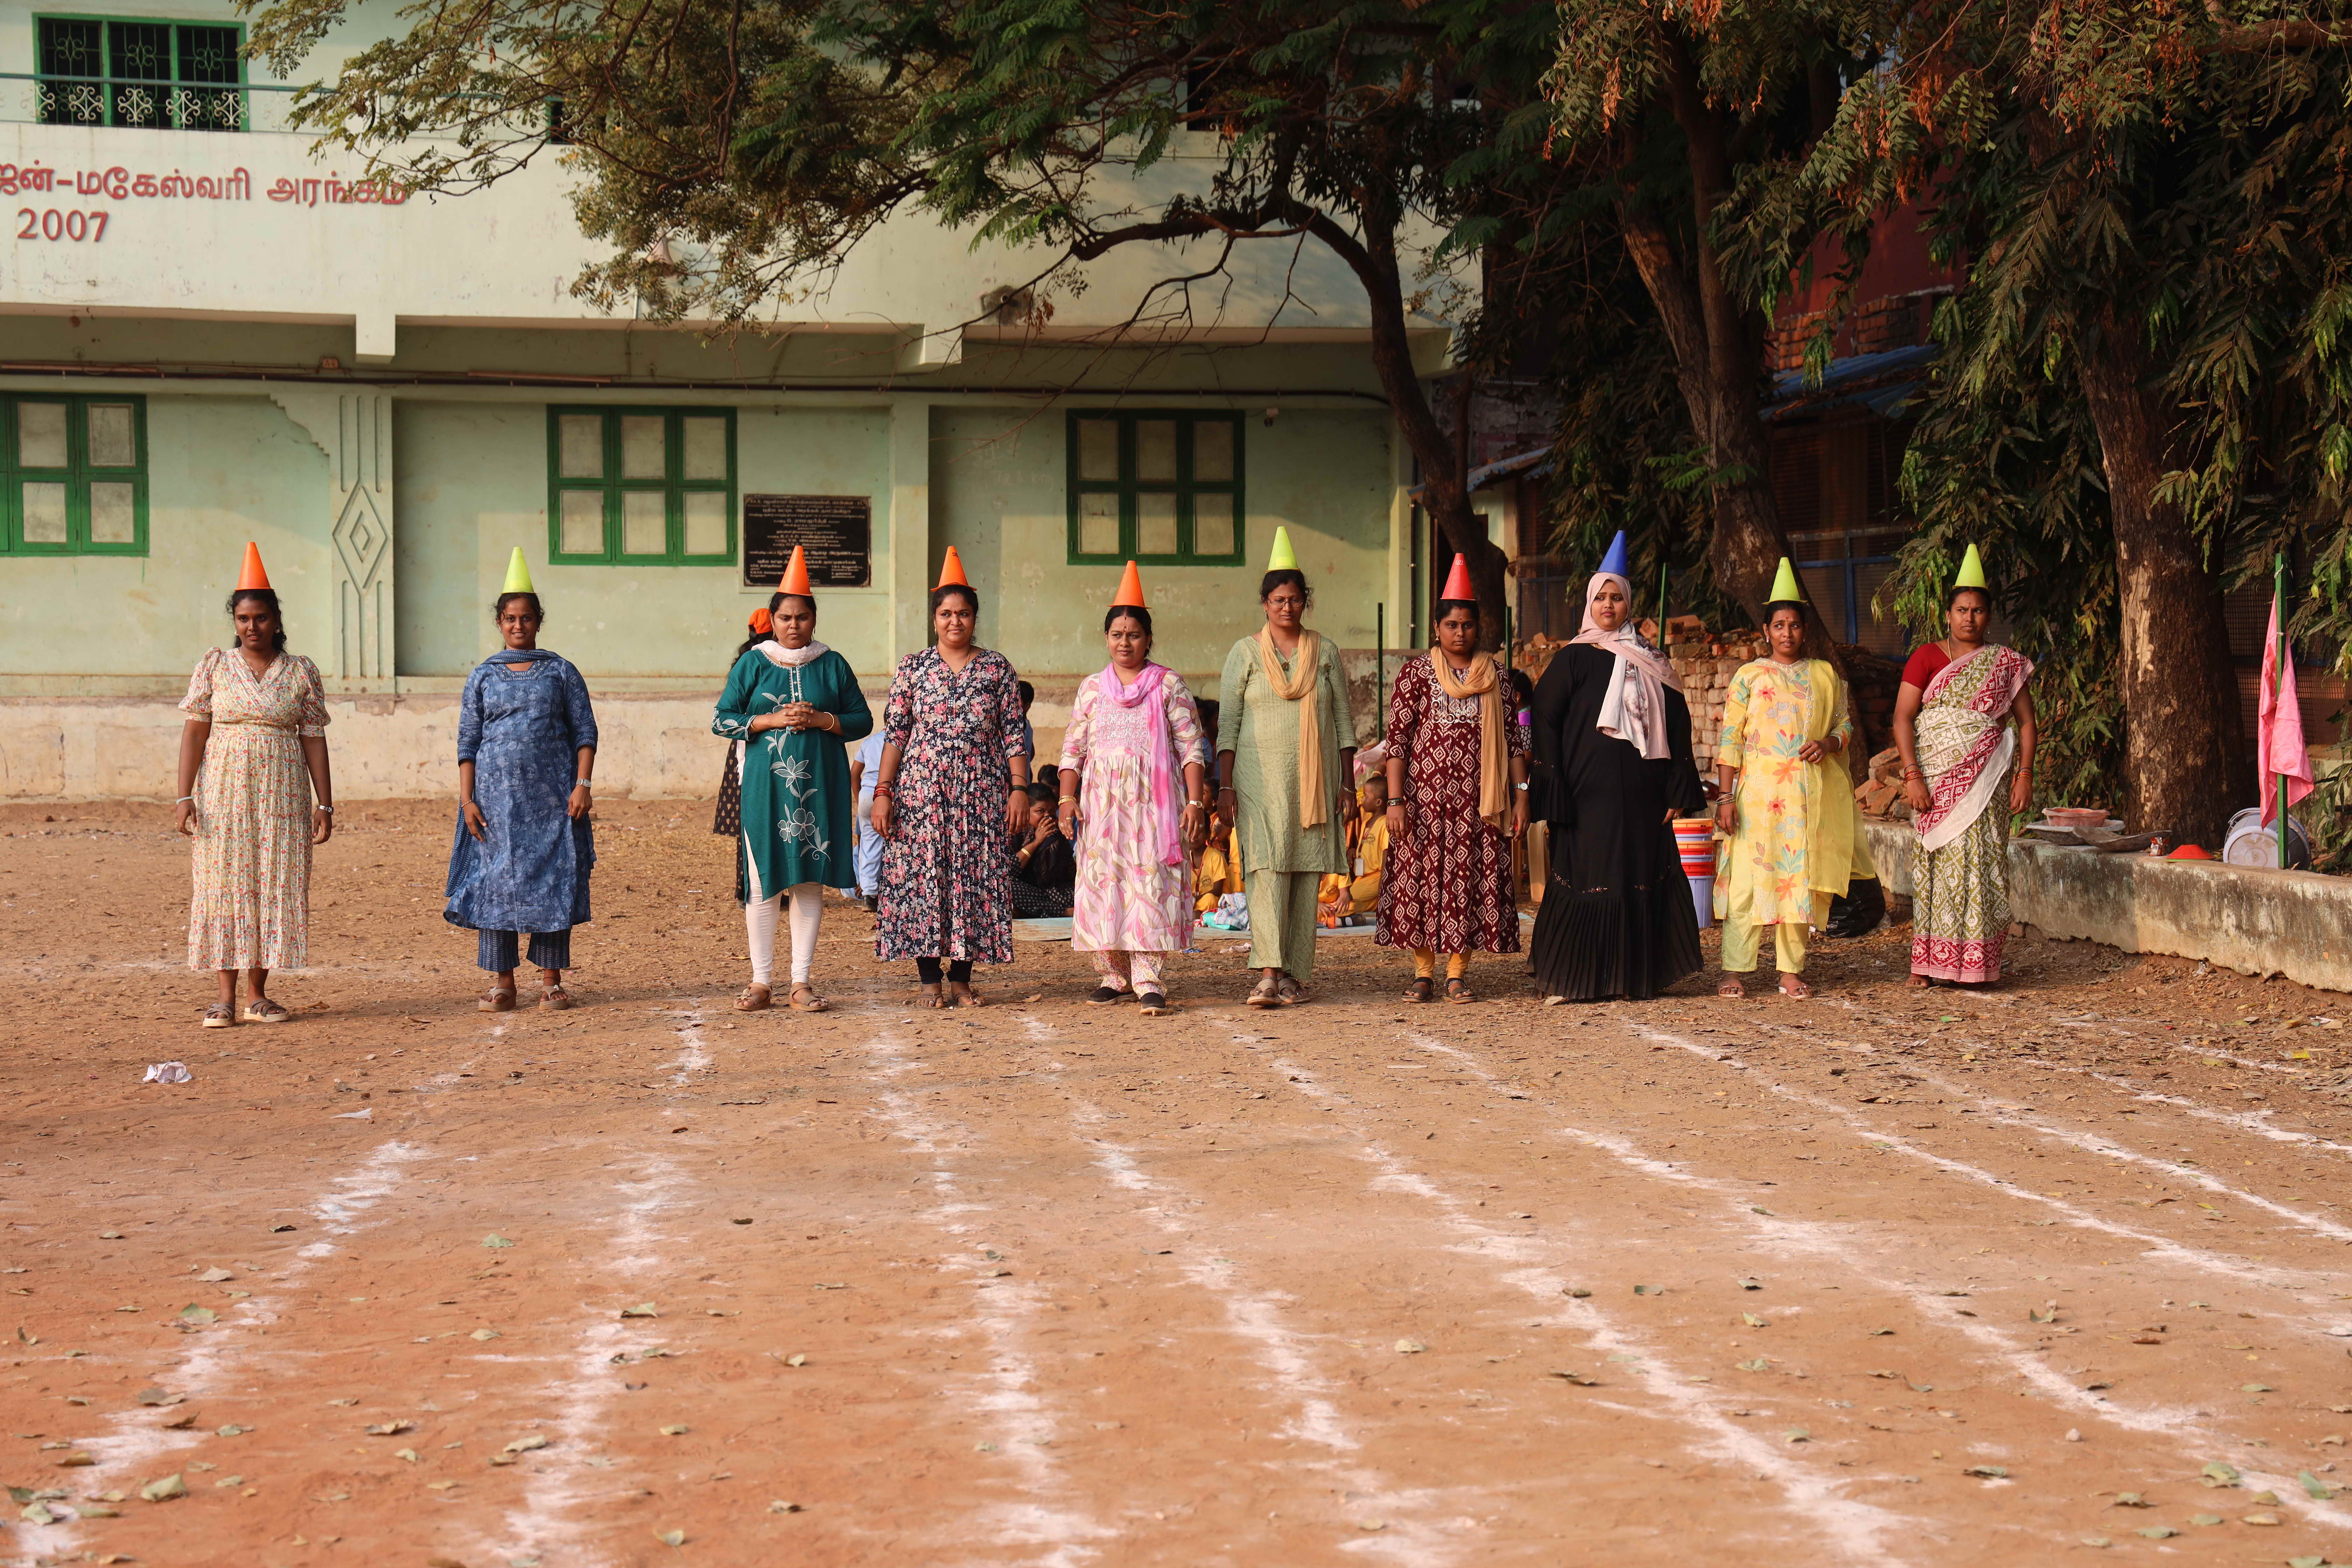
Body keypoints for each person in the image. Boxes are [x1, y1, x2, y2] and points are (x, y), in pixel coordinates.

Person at [1527, 533, 1707, 1001]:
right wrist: (1553, 786)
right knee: (1586, 875)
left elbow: (1678, 724)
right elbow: (1544, 720)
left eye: (1617, 598)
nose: (1609, 605)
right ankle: (1572, 979)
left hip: (1646, 794)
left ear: (1629, 604)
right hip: (1587, 793)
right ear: (1590, 602)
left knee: (1637, 875)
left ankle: (1632, 978)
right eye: (1601, 597)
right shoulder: (1573, 660)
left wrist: (1676, 790)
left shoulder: (1654, 663)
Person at [173, 542, 334, 1028]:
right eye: (243, 618)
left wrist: (325, 803)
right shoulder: (216, 667)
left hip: (282, 798)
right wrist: (185, 796)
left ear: (276, 620)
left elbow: (314, 739)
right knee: (225, 884)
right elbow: (196, 731)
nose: (252, 627)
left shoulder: (301, 672)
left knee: (273, 883)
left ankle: (258, 994)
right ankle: (223, 997)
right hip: (223, 794)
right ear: (235, 621)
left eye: (260, 618)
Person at [712, 547, 872, 1013]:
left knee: (808, 880)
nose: (794, 625)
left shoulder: (833, 664)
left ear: (814, 619)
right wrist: (769, 720)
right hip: (765, 788)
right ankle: (761, 982)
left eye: (802, 617)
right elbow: (722, 720)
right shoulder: (753, 664)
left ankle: (800, 982)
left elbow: (861, 721)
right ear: (774, 619)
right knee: (763, 881)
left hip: (821, 786)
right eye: (785, 617)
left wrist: (824, 719)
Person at [870, 548, 1030, 1007]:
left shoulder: (997, 669)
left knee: (974, 878)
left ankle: (962, 978)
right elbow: (896, 734)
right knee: (925, 879)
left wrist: (1018, 789)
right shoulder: (913, 668)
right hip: (921, 794)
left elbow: (1014, 735)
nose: (954, 621)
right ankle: (929, 981)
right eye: (945, 613)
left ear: (975, 618)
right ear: (934, 619)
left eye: (962, 613)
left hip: (981, 792)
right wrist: (883, 792)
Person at [443, 552, 598, 1010]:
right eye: (510, 618)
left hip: (552, 803)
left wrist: (582, 785)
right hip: (493, 808)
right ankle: (503, 983)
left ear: (538, 622)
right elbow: (468, 742)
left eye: (526, 618)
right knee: (496, 886)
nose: (518, 625)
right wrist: (467, 799)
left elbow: (585, 732)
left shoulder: (561, 672)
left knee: (552, 882)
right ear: (499, 622)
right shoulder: (483, 676)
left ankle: (551, 982)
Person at [1713, 559, 1872, 998]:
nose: (1787, 633)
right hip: (1757, 799)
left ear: (1806, 630)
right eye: (1779, 625)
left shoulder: (1824, 676)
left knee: (1797, 883)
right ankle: (1735, 969)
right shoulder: (1748, 676)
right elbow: (1730, 739)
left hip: (1807, 799)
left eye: (1795, 625)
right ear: (1765, 630)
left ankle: (1790, 970)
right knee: (1747, 881)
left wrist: (1828, 743)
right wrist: (1725, 796)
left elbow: (1845, 728)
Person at [1057, 564, 1209, 1013]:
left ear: (1149, 640)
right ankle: (1114, 974)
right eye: (1118, 634)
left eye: (1135, 634)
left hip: (1153, 809)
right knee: (1105, 882)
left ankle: (1147, 977)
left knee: (1149, 882)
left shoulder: (1168, 685)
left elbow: (1191, 748)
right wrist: (1067, 799)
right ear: (1106, 639)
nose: (1126, 642)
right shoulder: (1090, 689)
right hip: (1101, 807)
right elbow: (1072, 750)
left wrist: (1196, 801)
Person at [1377, 559, 1531, 1002]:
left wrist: (1521, 797)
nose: (1459, 632)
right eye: (1451, 624)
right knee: (1421, 882)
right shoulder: (1417, 674)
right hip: (1422, 803)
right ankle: (1423, 973)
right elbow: (1398, 743)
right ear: (1436, 627)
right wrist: (1394, 801)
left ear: (1478, 626)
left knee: (1467, 881)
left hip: (1477, 803)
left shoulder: (1498, 678)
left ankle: (1457, 973)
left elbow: (1515, 744)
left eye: (1466, 624)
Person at [1216, 526, 1358, 1007]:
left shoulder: (1327, 652)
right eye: (1278, 599)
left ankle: (1295, 974)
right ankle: (1269, 973)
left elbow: (1342, 721)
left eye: (1295, 600)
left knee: (1304, 872)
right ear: (1264, 603)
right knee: (1264, 869)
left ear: (1305, 603)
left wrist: (1347, 784)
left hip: (1315, 783)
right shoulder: (1245, 654)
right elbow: (1229, 725)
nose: (1286, 608)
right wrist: (1225, 786)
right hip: (1257, 782)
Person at [1892, 545, 2037, 986]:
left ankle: (1978, 965)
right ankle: (1927, 964)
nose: (1969, 618)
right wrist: (1913, 775)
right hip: (1934, 783)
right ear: (1948, 614)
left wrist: (2025, 774)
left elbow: (2028, 722)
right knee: (1937, 864)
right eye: (1961, 609)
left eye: (1977, 610)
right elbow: (1903, 717)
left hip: (1987, 783)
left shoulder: (2004, 663)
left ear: (1988, 616)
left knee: (1983, 864)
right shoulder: (1926, 657)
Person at [712, 604, 770, 843]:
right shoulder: (762, 662)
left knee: (748, 812)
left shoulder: (743, 660)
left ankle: (745, 879)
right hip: (758, 740)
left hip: (743, 737)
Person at [1010, 784, 1078, 916]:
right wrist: (1036, 842)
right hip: (1029, 893)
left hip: (1056, 893)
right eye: (1041, 811)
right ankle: (1063, 913)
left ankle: (1052, 911)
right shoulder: (1016, 832)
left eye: (1052, 811)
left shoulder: (1055, 834)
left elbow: (1053, 880)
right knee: (1007, 885)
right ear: (1026, 810)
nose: (1048, 816)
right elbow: (1010, 869)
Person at [849, 728, 886, 911]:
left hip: (867, 792)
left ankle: (869, 895)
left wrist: (860, 799)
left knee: (868, 845)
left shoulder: (869, 741)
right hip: (887, 794)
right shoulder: (905, 739)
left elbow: (854, 774)